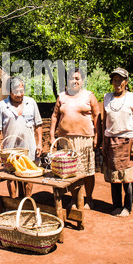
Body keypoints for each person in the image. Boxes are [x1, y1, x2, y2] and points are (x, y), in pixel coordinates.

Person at [50, 67, 101, 209]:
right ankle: (74, 199)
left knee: (87, 171)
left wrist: (97, 136)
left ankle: (89, 199)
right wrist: (51, 135)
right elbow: (55, 116)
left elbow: (97, 116)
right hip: (65, 141)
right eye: (71, 78)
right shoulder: (62, 96)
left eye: (77, 78)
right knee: (70, 171)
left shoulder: (89, 96)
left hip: (84, 140)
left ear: (82, 80)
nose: (74, 81)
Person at [0, 77, 43, 197]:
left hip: (29, 147)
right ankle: (14, 202)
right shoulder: (1, 106)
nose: (20, 94)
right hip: (10, 149)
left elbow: (38, 124)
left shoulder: (31, 103)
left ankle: (26, 202)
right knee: (11, 177)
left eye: (22, 91)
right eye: (16, 92)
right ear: (9, 92)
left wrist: (40, 143)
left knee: (29, 175)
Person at [102, 67, 133, 217]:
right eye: (115, 80)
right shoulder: (107, 97)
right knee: (114, 176)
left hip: (127, 141)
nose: (117, 83)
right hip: (111, 141)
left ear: (126, 82)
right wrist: (104, 143)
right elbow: (104, 121)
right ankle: (117, 205)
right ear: (112, 82)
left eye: (120, 80)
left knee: (128, 177)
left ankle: (127, 207)